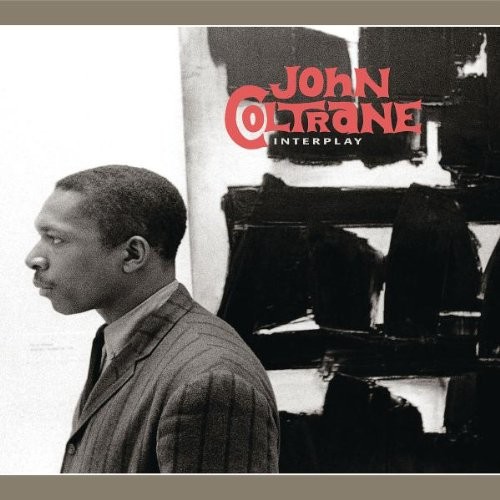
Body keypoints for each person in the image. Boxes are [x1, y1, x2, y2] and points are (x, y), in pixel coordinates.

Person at [25, 165, 280, 473]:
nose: (33, 258)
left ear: (133, 254)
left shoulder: (211, 381)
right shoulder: (119, 342)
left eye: (55, 239)